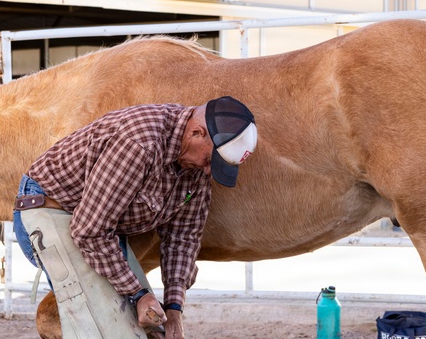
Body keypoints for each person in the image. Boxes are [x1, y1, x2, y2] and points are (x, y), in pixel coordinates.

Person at [13, 96, 257, 338]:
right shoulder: (140, 143)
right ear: (196, 132)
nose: (208, 171)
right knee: (112, 330)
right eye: (209, 160)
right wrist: (138, 294)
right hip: (50, 209)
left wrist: (174, 309)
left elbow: (183, 238)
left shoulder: (196, 167)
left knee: (151, 329)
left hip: (98, 226)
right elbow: (88, 231)